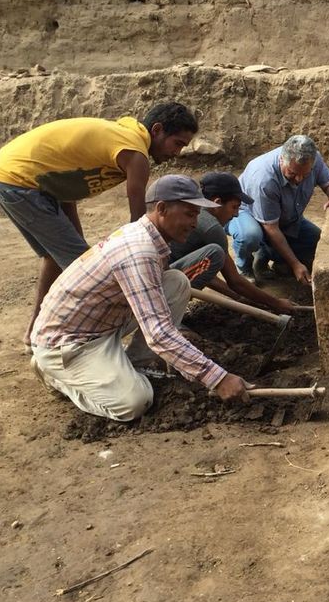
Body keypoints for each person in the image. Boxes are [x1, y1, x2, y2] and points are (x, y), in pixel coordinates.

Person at [30, 175, 253, 422]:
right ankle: (57, 376)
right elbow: (158, 333)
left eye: (197, 215)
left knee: (177, 282)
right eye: (190, 214)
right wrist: (218, 378)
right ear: (162, 209)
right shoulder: (139, 251)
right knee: (135, 402)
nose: (194, 223)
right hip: (68, 343)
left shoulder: (149, 237)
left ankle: (137, 363)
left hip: (102, 323)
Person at [0, 102, 198, 349]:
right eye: (177, 143)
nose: (177, 153)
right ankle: (77, 343)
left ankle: (34, 333)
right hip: (20, 180)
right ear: (157, 130)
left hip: (9, 175)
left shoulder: (122, 138)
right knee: (89, 271)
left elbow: (68, 183)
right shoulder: (134, 152)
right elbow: (140, 225)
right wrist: (152, 271)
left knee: (61, 257)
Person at [229, 135, 329, 285]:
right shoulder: (264, 179)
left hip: (286, 217)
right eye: (292, 173)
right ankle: (244, 268)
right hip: (247, 213)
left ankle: (270, 256)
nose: (299, 179)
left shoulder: (313, 159)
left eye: (305, 174)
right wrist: (295, 264)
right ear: (282, 160)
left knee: (318, 242)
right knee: (250, 236)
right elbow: (271, 228)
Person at [169, 172, 296, 314]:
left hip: (163, 278)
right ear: (217, 203)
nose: (236, 214)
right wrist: (275, 303)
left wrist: (240, 298)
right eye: (234, 207)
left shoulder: (197, 214)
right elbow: (235, 281)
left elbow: (202, 273)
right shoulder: (212, 228)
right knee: (216, 253)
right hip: (164, 288)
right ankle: (171, 314)